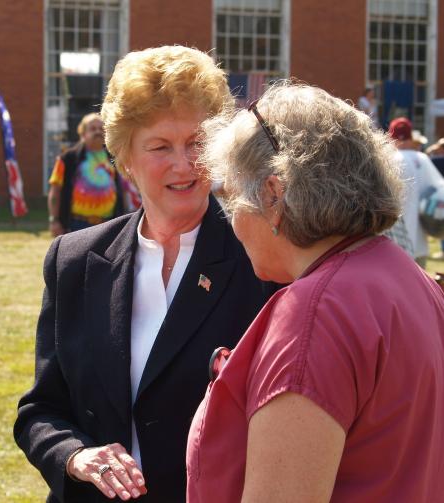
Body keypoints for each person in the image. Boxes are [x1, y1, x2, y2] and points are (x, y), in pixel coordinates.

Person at [14, 46, 276, 502]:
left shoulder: (261, 257)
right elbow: (41, 410)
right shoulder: (74, 260)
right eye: (160, 147)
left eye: (197, 142)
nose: (183, 163)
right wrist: (76, 457)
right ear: (124, 157)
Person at [187, 83, 444, 502]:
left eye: (231, 200)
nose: (231, 223)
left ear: (273, 196)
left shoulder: (315, 314)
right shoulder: (406, 276)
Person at [47, 113, 125, 236]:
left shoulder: (114, 159)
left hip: (109, 225)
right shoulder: (68, 159)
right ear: (83, 134)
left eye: (101, 129)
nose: (98, 132)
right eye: (93, 129)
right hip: (77, 225)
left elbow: (122, 191)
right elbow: (55, 191)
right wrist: (54, 220)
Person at [388, 117, 444, 267]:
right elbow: (440, 193)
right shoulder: (422, 159)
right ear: (411, 137)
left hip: (393, 244)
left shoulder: (387, 160)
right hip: (420, 243)